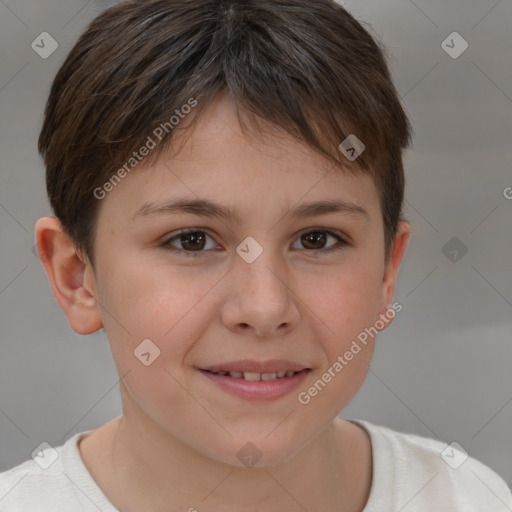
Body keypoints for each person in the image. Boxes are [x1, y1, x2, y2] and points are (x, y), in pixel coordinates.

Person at [1, 0, 510, 510]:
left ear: (386, 272)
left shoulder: (467, 496)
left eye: (317, 239)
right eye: (192, 240)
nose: (265, 309)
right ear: (77, 278)